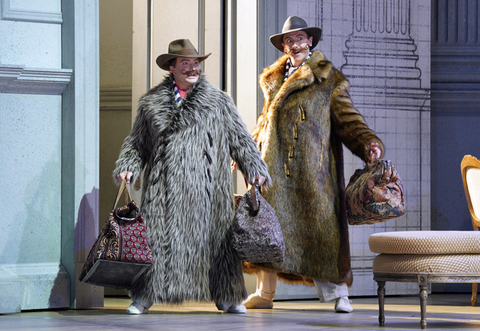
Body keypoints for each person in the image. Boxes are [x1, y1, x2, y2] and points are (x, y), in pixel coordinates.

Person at [114, 39, 270, 315]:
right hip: (165, 191)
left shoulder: (219, 101)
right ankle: (144, 296)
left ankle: (227, 296)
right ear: (172, 67)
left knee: (217, 244)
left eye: (196, 63)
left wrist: (255, 169)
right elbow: (137, 144)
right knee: (158, 242)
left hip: (208, 191)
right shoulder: (151, 104)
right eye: (185, 63)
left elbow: (241, 140)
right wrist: (128, 165)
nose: (192, 68)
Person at [242, 16, 384, 313]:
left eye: (299, 39)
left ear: (310, 42)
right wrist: (247, 153)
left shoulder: (327, 79)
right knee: (268, 229)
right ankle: (265, 294)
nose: (294, 45)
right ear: (283, 46)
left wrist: (368, 143)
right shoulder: (274, 79)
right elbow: (265, 121)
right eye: (288, 40)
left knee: (321, 231)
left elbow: (348, 120)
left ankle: (338, 295)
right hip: (273, 171)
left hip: (312, 172)